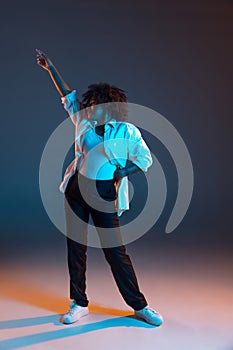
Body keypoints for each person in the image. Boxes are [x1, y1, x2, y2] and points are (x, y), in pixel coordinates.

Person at [36, 49, 164, 326]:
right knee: (76, 247)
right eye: (91, 104)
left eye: (98, 105)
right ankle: (78, 303)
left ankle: (139, 305)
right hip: (76, 192)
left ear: (111, 107)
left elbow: (145, 159)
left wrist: (123, 170)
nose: (92, 109)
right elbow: (68, 96)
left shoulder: (127, 131)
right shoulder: (83, 121)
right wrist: (51, 68)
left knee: (115, 252)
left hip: (105, 194)